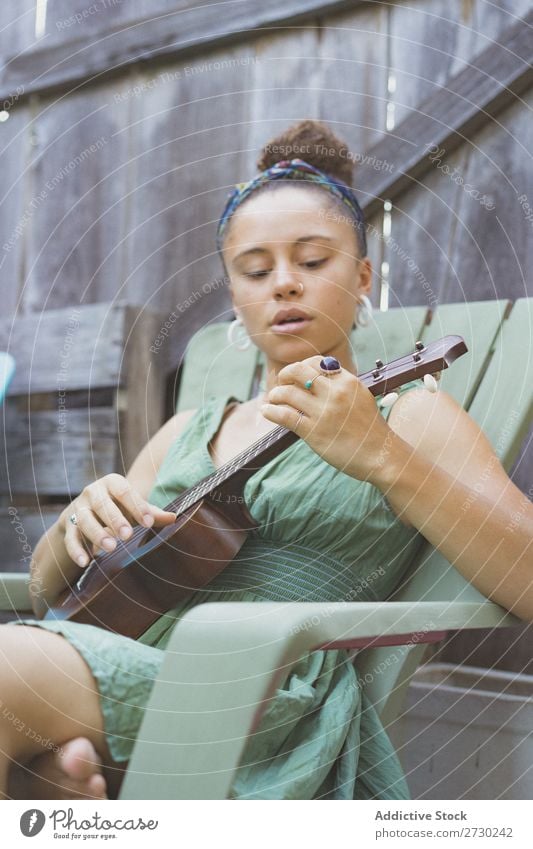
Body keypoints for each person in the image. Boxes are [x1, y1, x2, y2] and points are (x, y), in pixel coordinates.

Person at [2, 119, 532, 801]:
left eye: (312, 262)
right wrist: (72, 527)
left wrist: (380, 455)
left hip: (252, 691)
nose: (283, 283)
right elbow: (55, 597)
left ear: (363, 275)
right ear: (233, 292)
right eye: (255, 269)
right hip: (121, 664)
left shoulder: (407, 413)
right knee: (40, 771)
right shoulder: (186, 430)